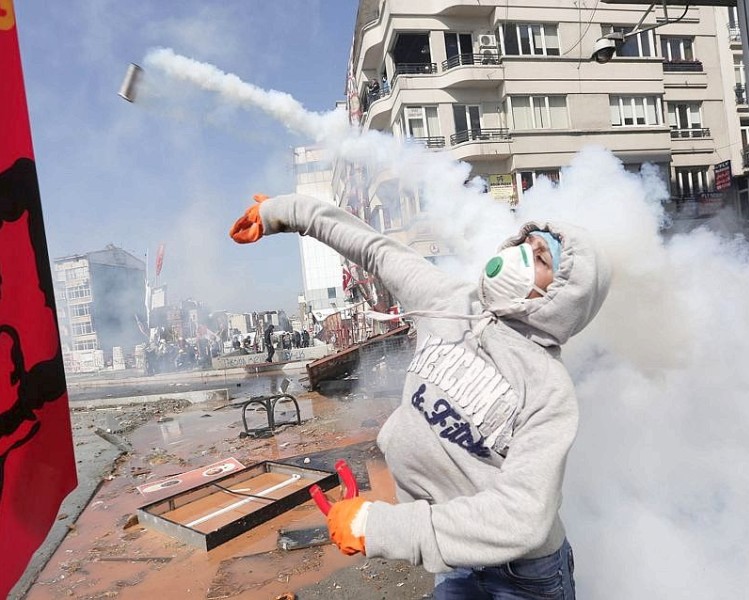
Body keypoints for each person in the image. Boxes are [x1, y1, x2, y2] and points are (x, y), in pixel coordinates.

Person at [230, 193, 611, 599]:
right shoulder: (447, 301)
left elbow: (524, 516)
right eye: (525, 245)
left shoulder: (548, 388)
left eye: (540, 259)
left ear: (564, 297)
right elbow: (375, 249)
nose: (519, 256)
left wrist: (376, 527)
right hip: (453, 559)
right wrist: (284, 213)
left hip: (524, 578)